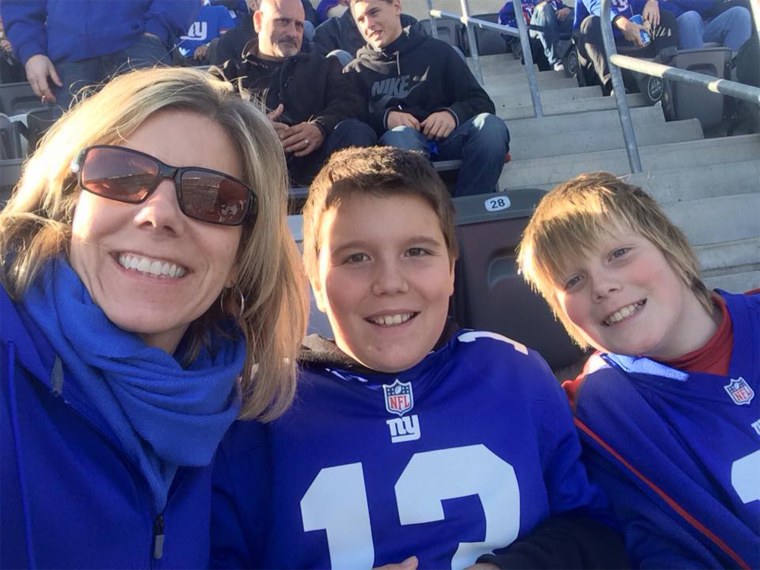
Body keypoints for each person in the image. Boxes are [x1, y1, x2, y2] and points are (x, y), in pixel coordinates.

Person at [210, 147, 629, 569]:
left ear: (451, 268)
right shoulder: (260, 408)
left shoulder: (516, 374)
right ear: (314, 279)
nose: (390, 283)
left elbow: (596, 532)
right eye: (356, 257)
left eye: (417, 252)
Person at [0, 66, 309, 568]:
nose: (159, 213)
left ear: (242, 257)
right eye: (120, 175)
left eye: (213, 198)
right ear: (70, 202)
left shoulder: (234, 417)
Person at [517, 172, 760, 568]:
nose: (602, 286)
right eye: (573, 280)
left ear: (669, 244)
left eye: (618, 254)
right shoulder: (588, 413)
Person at [344, 0, 510, 197]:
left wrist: (452, 115)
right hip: (397, 151)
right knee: (401, 136)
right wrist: (385, 118)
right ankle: (430, 211)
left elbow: (481, 102)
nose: (368, 24)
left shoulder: (439, 51)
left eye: (374, 13)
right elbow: (349, 118)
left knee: (490, 127)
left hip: (448, 141)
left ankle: (467, 209)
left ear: (396, 7)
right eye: (361, 19)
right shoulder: (354, 71)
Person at [215, 0, 376, 187]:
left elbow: (352, 103)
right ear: (258, 21)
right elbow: (207, 113)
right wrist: (254, 127)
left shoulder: (323, 67)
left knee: (356, 131)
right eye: (283, 22)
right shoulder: (227, 74)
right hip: (254, 169)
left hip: (317, 170)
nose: (293, 33)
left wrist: (320, 127)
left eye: (299, 25)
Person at [0, 0, 198, 113]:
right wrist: (32, 52)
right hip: (69, 62)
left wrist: (156, 29)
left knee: (153, 148)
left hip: (140, 47)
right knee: (73, 163)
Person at [573, 0, 679, 94]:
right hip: (599, 55)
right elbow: (596, 5)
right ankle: (614, 88)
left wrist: (653, 2)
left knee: (665, 18)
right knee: (590, 23)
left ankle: (668, 80)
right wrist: (623, 23)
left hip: (633, 45)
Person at [498, 0, 574, 72]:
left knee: (577, 13)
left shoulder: (553, 3)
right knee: (543, 9)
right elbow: (505, 32)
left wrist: (567, 10)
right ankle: (556, 61)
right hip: (526, 44)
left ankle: (578, 62)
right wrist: (530, 17)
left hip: (550, 40)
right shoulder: (512, 5)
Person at [654, 0, 751, 52]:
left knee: (740, 13)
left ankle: (735, 76)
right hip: (668, 32)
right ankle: (698, 77)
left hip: (703, 24)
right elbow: (641, 7)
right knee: (690, 17)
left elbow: (707, 3)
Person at [179, 0, 236, 65]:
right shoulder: (174, 13)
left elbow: (228, 40)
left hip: (209, 62)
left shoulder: (220, 11)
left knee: (216, 43)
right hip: (177, 63)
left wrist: (208, 47)